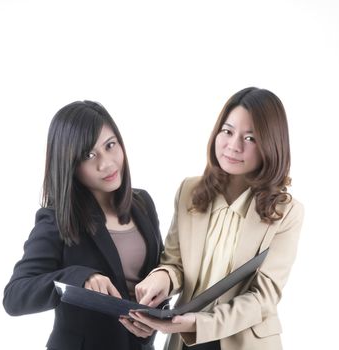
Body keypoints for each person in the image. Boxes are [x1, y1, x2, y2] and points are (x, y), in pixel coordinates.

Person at [124, 87, 304, 350]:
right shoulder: (189, 191)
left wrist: (198, 324)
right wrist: (162, 277)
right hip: (183, 339)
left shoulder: (286, 212)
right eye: (227, 131)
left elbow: (263, 298)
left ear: (270, 145)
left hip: (242, 341)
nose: (234, 146)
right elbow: (175, 262)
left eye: (251, 138)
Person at [3, 101, 163, 350]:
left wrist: (154, 322)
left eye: (110, 146)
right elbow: (15, 297)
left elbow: (154, 280)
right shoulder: (57, 218)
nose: (106, 164)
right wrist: (79, 277)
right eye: (89, 155)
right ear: (70, 164)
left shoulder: (142, 204)